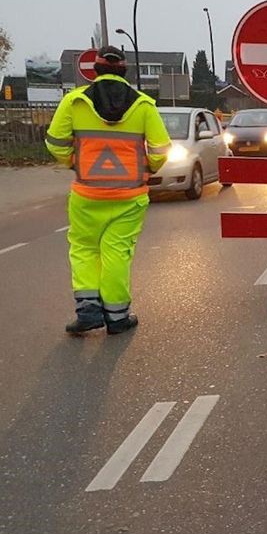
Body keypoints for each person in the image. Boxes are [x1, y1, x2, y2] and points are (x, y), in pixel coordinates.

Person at [45, 46, 171, 335]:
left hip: (87, 194)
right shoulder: (143, 105)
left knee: (84, 249)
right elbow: (161, 149)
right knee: (117, 252)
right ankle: (117, 317)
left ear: (96, 70)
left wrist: (74, 163)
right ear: (125, 70)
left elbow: (55, 143)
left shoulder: (74, 103)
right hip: (130, 195)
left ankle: (88, 311)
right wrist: (147, 169)